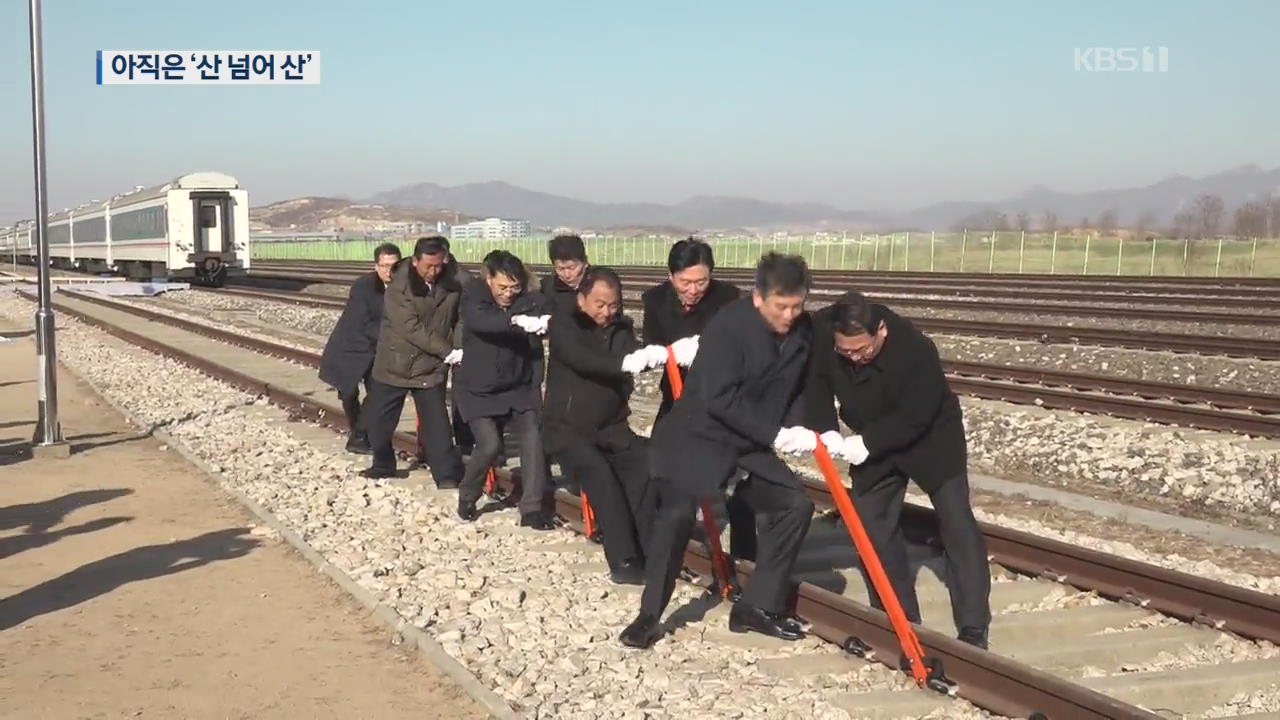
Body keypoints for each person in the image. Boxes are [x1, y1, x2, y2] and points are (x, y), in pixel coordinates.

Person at [620, 252, 819, 649]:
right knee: (677, 516)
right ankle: (648, 616)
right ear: (760, 298)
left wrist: (807, 429)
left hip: (749, 439)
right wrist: (775, 433)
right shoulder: (729, 328)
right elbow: (717, 399)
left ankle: (756, 607)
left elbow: (797, 387)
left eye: (797, 306)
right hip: (699, 436)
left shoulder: (801, 331)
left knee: (795, 505)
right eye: (782, 306)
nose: (790, 315)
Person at [804, 290, 992, 650]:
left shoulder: (916, 349)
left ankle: (973, 627)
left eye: (863, 350)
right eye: (846, 353)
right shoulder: (823, 335)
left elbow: (918, 413)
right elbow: (817, 386)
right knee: (871, 525)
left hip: (930, 439)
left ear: (882, 332)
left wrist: (868, 444)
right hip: (871, 434)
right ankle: (899, 616)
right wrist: (825, 431)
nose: (855, 358)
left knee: (955, 520)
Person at [640, 238, 755, 560]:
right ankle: (665, 539)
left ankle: (745, 556)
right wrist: (667, 354)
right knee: (661, 465)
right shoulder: (655, 300)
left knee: (738, 476)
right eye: (685, 282)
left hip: (722, 400)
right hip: (677, 397)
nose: (693, 289)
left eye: (701, 281)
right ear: (671, 276)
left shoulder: (728, 299)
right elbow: (653, 342)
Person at [544, 266, 659, 585]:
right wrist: (623, 364)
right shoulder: (564, 324)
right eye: (600, 304)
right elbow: (581, 359)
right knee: (603, 479)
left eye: (613, 305)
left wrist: (654, 354)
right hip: (567, 429)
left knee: (646, 464)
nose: (607, 312)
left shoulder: (620, 328)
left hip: (611, 426)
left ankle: (650, 551)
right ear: (582, 299)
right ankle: (623, 559)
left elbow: (632, 351)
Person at [454, 250, 555, 529]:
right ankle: (468, 494)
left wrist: (544, 322)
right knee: (489, 445)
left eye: (515, 287)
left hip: (519, 384)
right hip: (478, 386)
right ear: (489, 279)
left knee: (533, 439)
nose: (508, 293)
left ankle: (532, 508)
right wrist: (515, 321)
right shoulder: (473, 296)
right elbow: (481, 323)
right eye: (502, 287)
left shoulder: (531, 298)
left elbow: (548, 314)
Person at [362, 236, 465, 487]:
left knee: (437, 425)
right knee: (378, 421)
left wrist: (460, 346)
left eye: (439, 265)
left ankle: (446, 476)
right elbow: (410, 327)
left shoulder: (454, 281)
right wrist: (447, 351)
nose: (433, 271)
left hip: (430, 367)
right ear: (415, 260)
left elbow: (461, 316)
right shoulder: (400, 286)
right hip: (395, 363)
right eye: (428, 266)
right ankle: (383, 464)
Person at [318, 242, 401, 454]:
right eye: (384, 265)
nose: (388, 270)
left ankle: (359, 437)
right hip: (352, 346)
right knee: (348, 393)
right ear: (376, 266)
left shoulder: (405, 285)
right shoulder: (364, 286)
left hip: (379, 351)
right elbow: (364, 322)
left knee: (377, 394)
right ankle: (358, 433)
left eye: (393, 265)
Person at [540, 234, 590, 317]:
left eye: (572, 268)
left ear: (585, 262)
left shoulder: (599, 285)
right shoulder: (546, 288)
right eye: (560, 269)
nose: (567, 275)